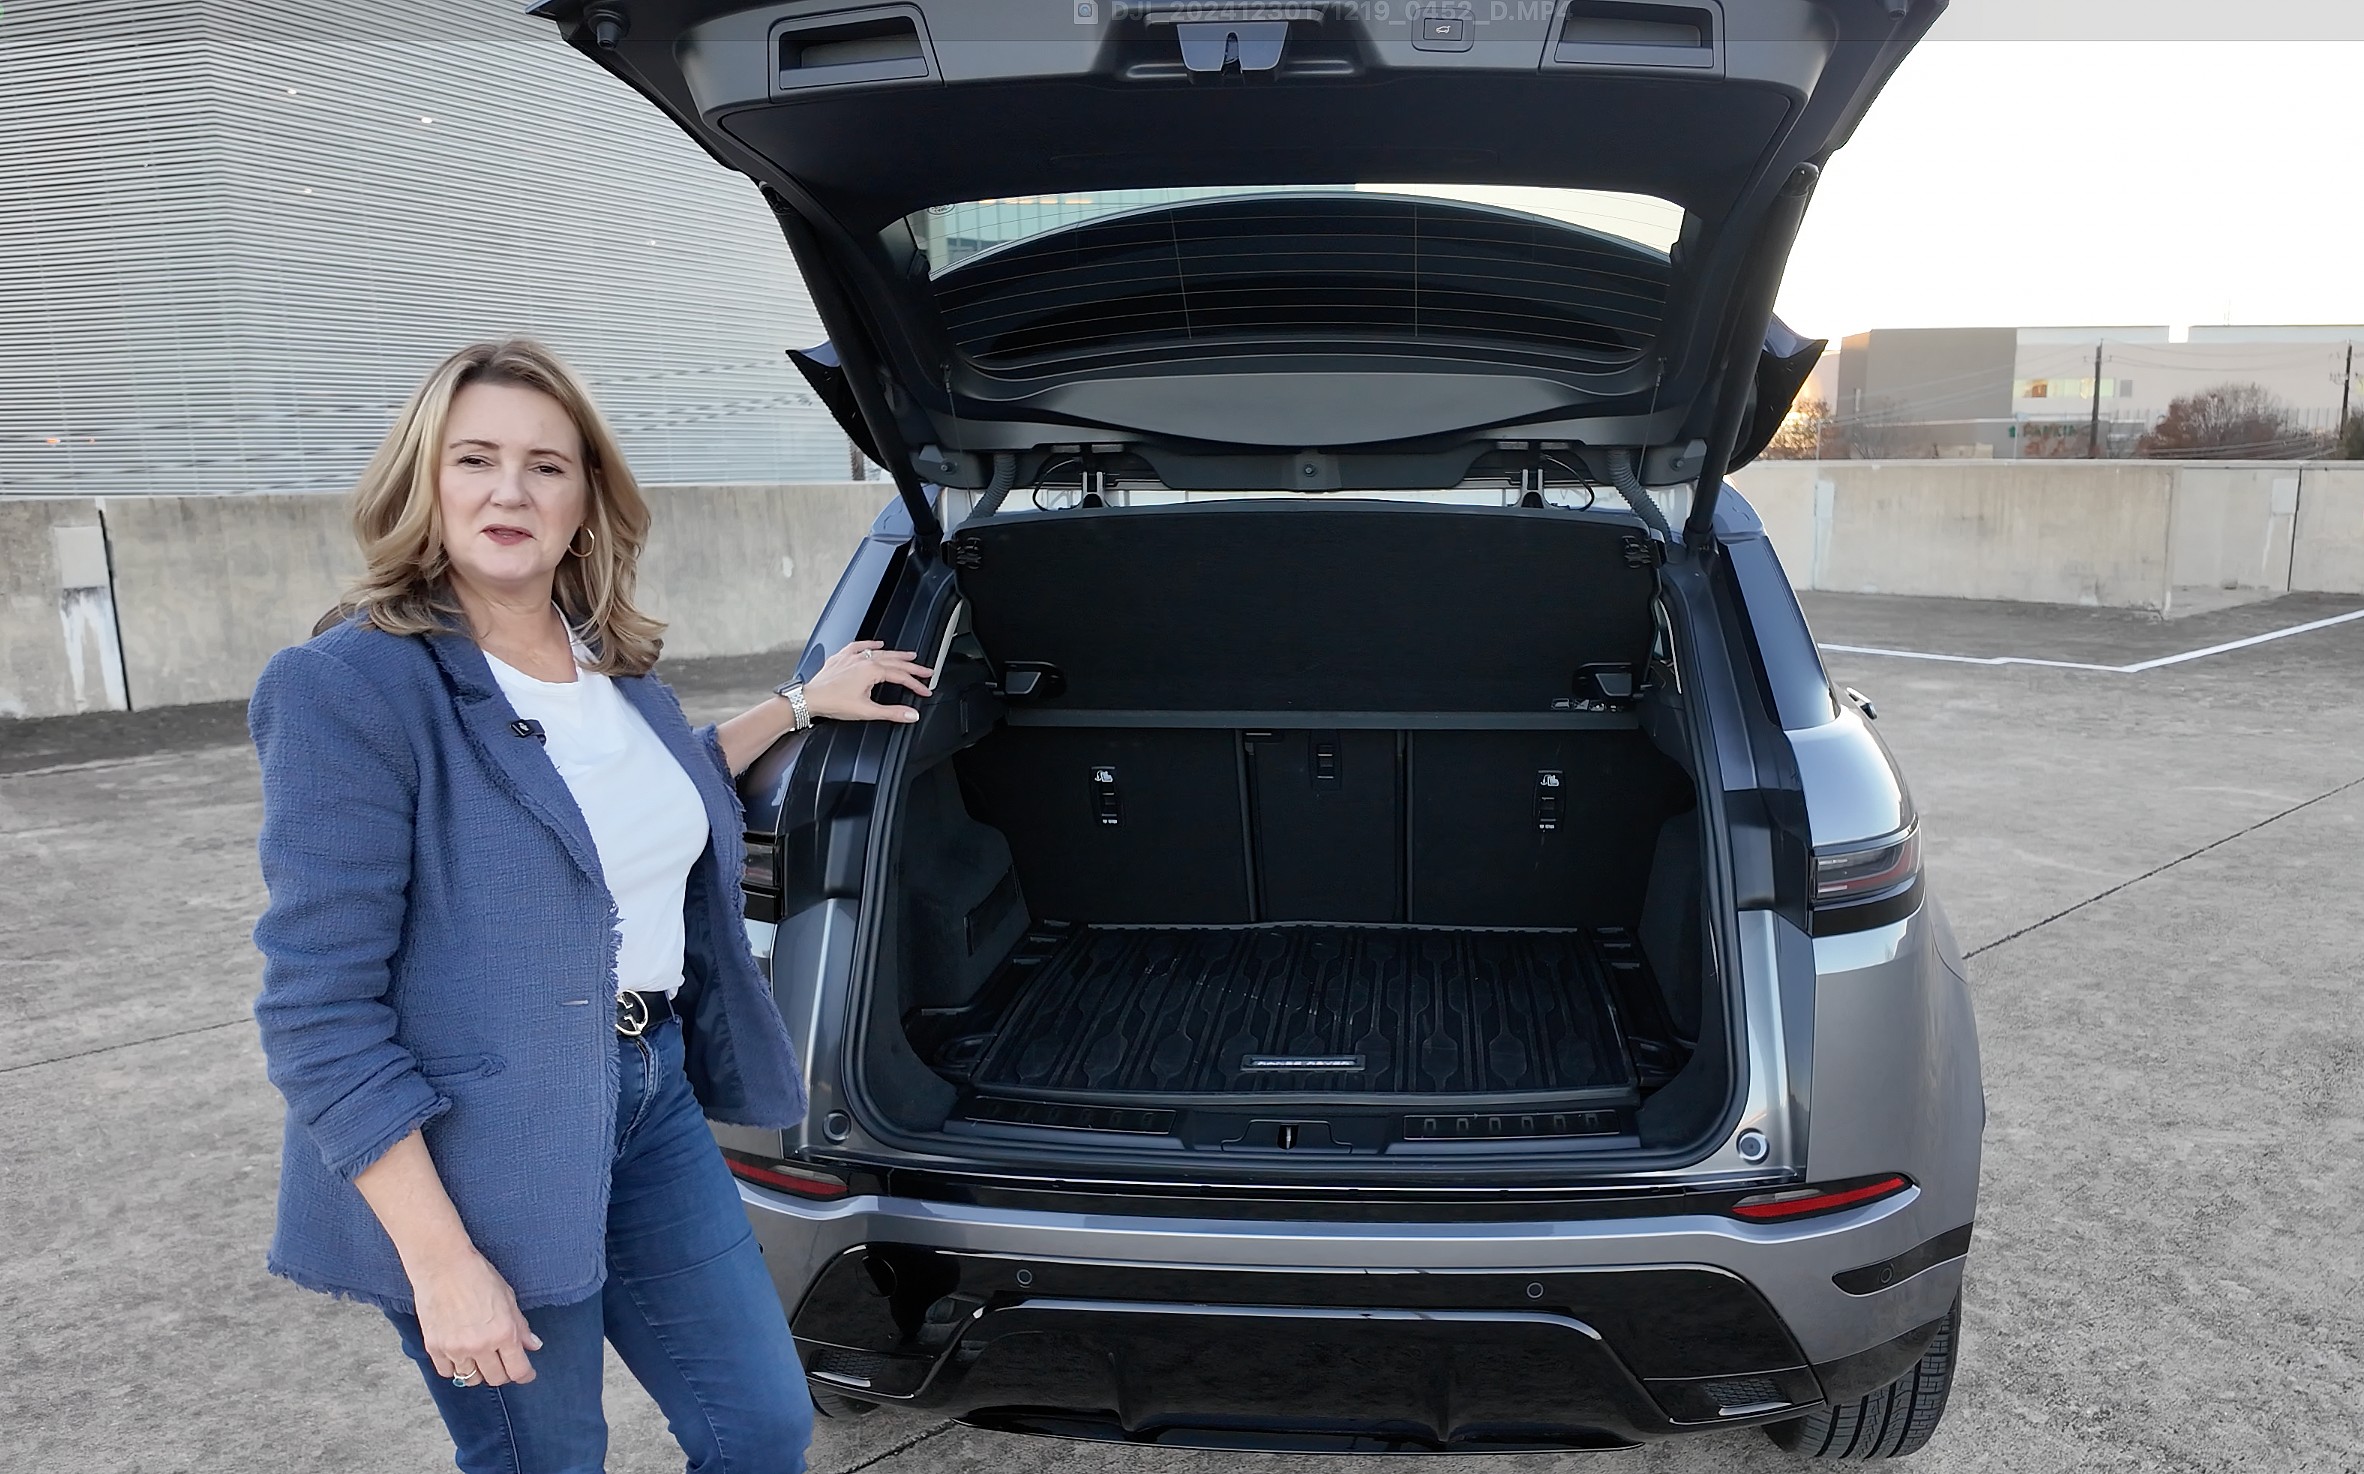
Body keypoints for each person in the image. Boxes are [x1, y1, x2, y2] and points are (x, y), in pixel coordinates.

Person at [247, 338, 931, 1474]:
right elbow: (317, 1013)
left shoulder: (610, 666)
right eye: (474, 459)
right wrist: (442, 1265)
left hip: (647, 1094)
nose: (509, 491)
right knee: (549, 1458)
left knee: (761, 1426)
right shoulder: (350, 688)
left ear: (586, 500)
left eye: (546, 466)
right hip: (480, 1142)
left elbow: (643, 796)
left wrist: (801, 704)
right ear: (424, 482)